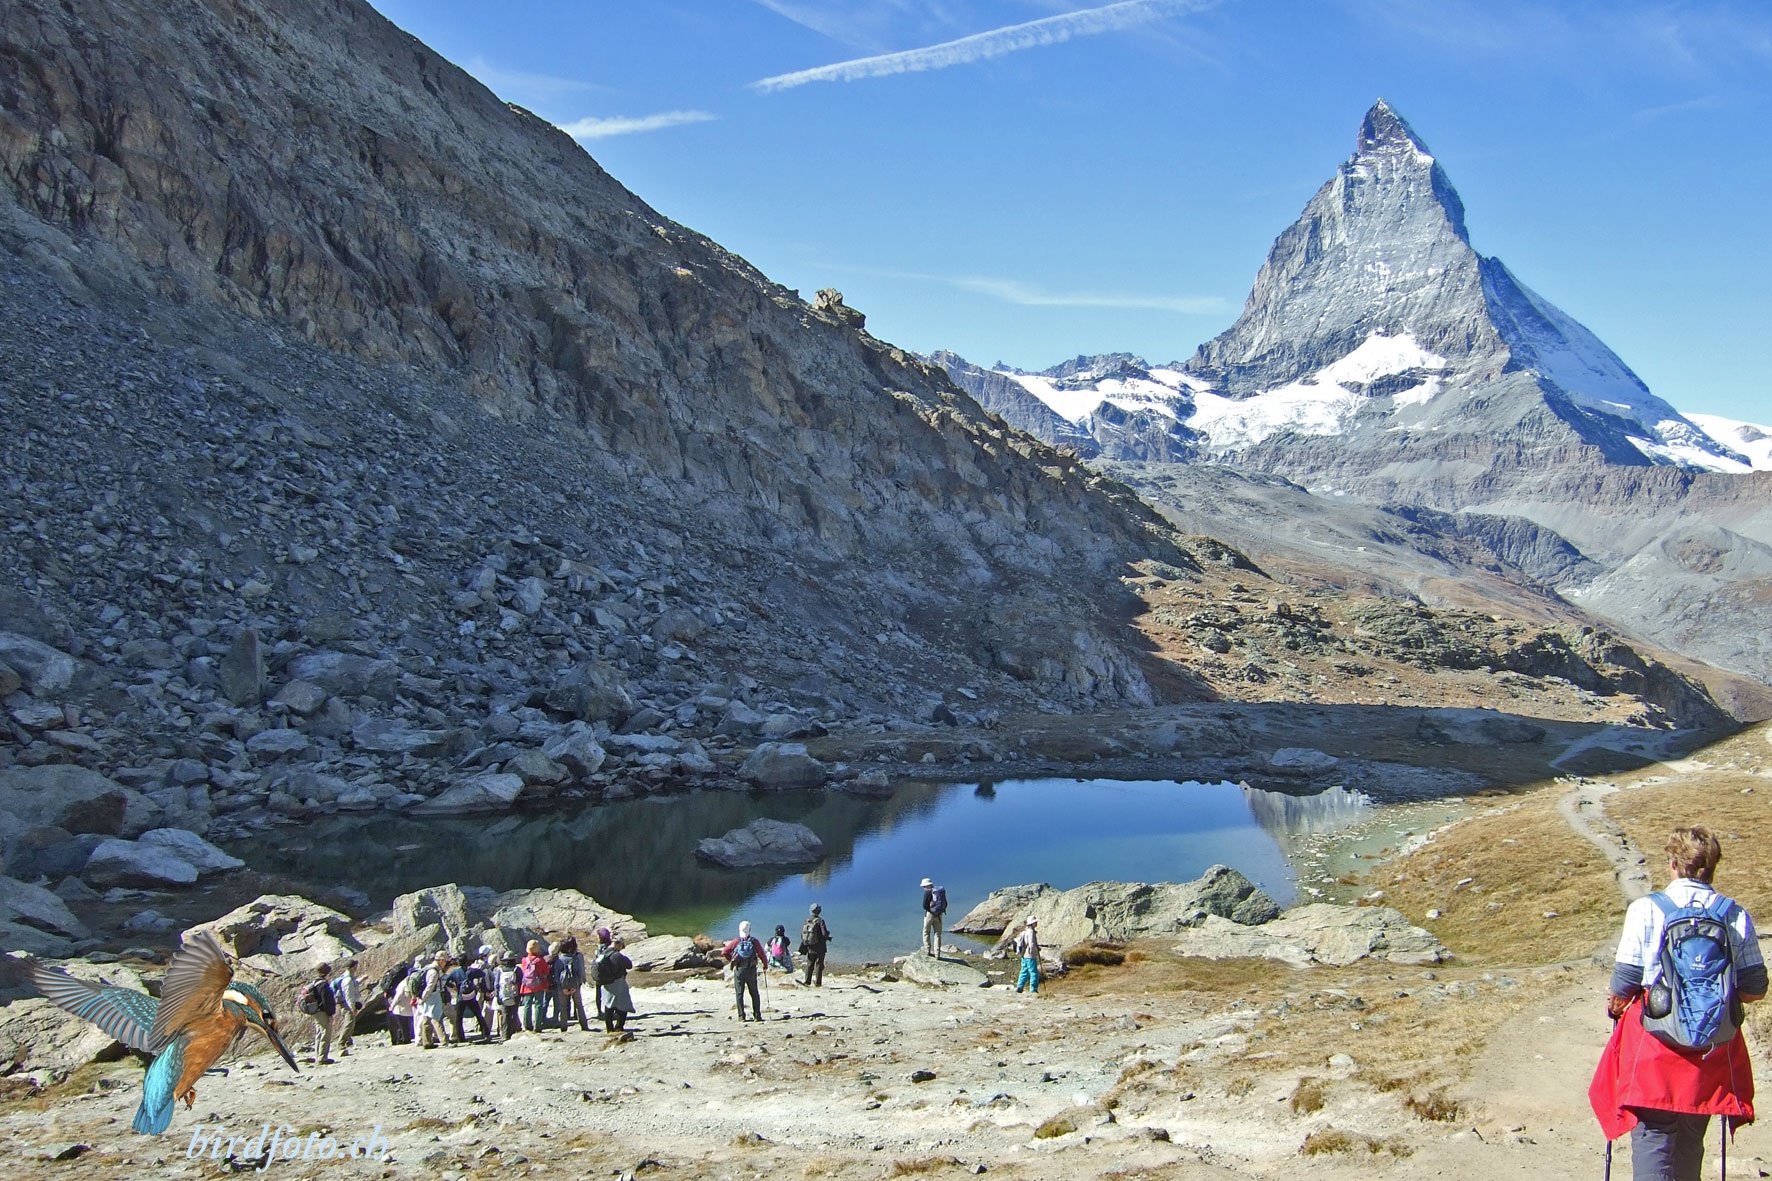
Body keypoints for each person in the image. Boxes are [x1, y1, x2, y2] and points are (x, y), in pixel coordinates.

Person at [1591, 826, 1766, 1180]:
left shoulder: (1645, 909)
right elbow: (1754, 989)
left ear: (1672, 863)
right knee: (1691, 1137)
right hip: (1710, 1052)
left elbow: (1624, 984)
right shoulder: (1734, 914)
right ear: (1713, 865)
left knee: (1653, 1138)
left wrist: (1617, 1004)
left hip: (1653, 1048)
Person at [723, 921, 764, 1021]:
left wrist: (732, 960)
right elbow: (762, 954)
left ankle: (741, 1016)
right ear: (749, 929)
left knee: (739, 993)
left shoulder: (736, 941)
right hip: (751, 970)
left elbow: (724, 951)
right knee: (754, 993)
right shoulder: (754, 941)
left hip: (739, 970)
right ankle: (757, 1015)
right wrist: (765, 965)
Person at [594, 933, 635, 1033]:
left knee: (609, 1006)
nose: (621, 949)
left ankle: (609, 1029)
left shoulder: (603, 953)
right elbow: (629, 965)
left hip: (606, 983)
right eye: (621, 946)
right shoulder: (617, 956)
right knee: (623, 1006)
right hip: (618, 983)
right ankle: (619, 1028)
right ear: (618, 944)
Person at [299, 962, 338, 1064]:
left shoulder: (314, 983)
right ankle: (322, 1057)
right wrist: (330, 1014)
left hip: (316, 1012)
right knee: (325, 1033)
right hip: (323, 1012)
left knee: (319, 1033)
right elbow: (326, 1001)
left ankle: (318, 1055)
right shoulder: (323, 985)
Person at [456, 949, 493, 1043]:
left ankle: (460, 1037)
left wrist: (455, 989)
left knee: (459, 1018)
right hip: (471, 996)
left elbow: (448, 982)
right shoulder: (471, 971)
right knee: (478, 1014)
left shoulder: (455, 972)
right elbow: (482, 973)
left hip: (461, 996)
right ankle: (485, 1033)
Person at [553, 937, 590, 1031]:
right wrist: (577, 985)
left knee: (563, 1007)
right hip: (575, 986)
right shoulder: (575, 959)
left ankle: (563, 1027)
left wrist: (561, 987)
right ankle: (584, 1025)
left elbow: (556, 976)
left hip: (562, 987)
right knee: (579, 1006)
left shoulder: (558, 960)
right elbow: (579, 973)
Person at [417, 953, 453, 1049]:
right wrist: (423, 998)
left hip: (428, 997)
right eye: (445, 961)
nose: (446, 964)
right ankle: (444, 1041)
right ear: (441, 961)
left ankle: (427, 1042)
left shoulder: (431, 969)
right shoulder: (434, 972)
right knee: (436, 1018)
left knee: (426, 1019)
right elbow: (430, 987)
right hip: (432, 997)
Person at [519, 939, 551, 1032]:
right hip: (539, 985)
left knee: (527, 1005)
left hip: (527, 986)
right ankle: (537, 1026)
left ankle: (527, 1025)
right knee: (538, 1005)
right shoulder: (540, 960)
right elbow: (546, 972)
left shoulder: (524, 960)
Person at [333, 958, 364, 1055]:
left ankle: (347, 1040)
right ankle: (341, 1043)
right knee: (349, 1023)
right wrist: (352, 1007)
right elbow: (348, 995)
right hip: (346, 1004)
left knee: (350, 1022)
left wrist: (361, 980)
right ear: (352, 968)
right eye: (355, 966)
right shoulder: (348, 980)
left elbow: (353, 985)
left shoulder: (348, 977)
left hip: (346, 1003)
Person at [799, 903, 831, 987]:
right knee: (819, 965)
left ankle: (807, 982)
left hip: (810, 946)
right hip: (820, 947)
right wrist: (828, 935)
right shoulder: (820, 921)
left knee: (809, 964)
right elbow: (824, 934)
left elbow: (802, 935)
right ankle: (818, 983)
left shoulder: (807, 921)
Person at [495, 953, 521, 1040]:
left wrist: (497, 996)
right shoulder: (517, 969)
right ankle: (513, 1033)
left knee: (505, 1015)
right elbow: (521, 982)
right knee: (514, 1014)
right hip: (515, 995)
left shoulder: (500, 970)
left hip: (503, 995)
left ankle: (505, 1035)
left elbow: (496, 984)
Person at [1013, 916, 1042, 995]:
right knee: (1034, 973)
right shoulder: (1031, 932)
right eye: (1035, 922)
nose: (1036, 923)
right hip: (1030, 956)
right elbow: (1031, 945)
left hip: (1024, 954)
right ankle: (1033, 990)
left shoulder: (1026, 931)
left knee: (1024, 971)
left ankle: (1019, 987)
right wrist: (1036, 951)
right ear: (1032, 924)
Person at [921, 877, 947, 958]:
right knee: (937, 934)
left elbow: (924, 905)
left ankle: (927, 950)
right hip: (939, 915)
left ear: (926, 886)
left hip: (930, 915)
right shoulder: (939, 891)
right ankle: (937, 954)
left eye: (924, 886)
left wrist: (930, 910)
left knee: (926, 932)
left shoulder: (928, 892)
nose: (923, 888)